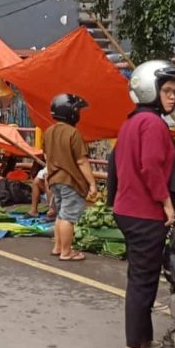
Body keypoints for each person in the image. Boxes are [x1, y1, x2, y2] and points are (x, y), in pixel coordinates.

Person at [109, 60, 175, 348]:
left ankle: (143, 339)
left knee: (143, 278)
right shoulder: (153, 125)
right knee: (143, 282)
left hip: (127, 211)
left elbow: (115, 167)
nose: (173, 97)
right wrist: (166, 203)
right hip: (144, 213)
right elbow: (151, 167)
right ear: (149, 90)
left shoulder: (130, 123)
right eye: (167, 91)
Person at [43, 94, 97, 260]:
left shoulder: (48, 131)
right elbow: (81, 161)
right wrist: (92, 184)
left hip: (53, 180)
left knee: (61, 214)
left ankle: (58, 247)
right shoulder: (73, 133)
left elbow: (46, 155)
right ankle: (66, 252)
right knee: (68, 217)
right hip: (70, 181)